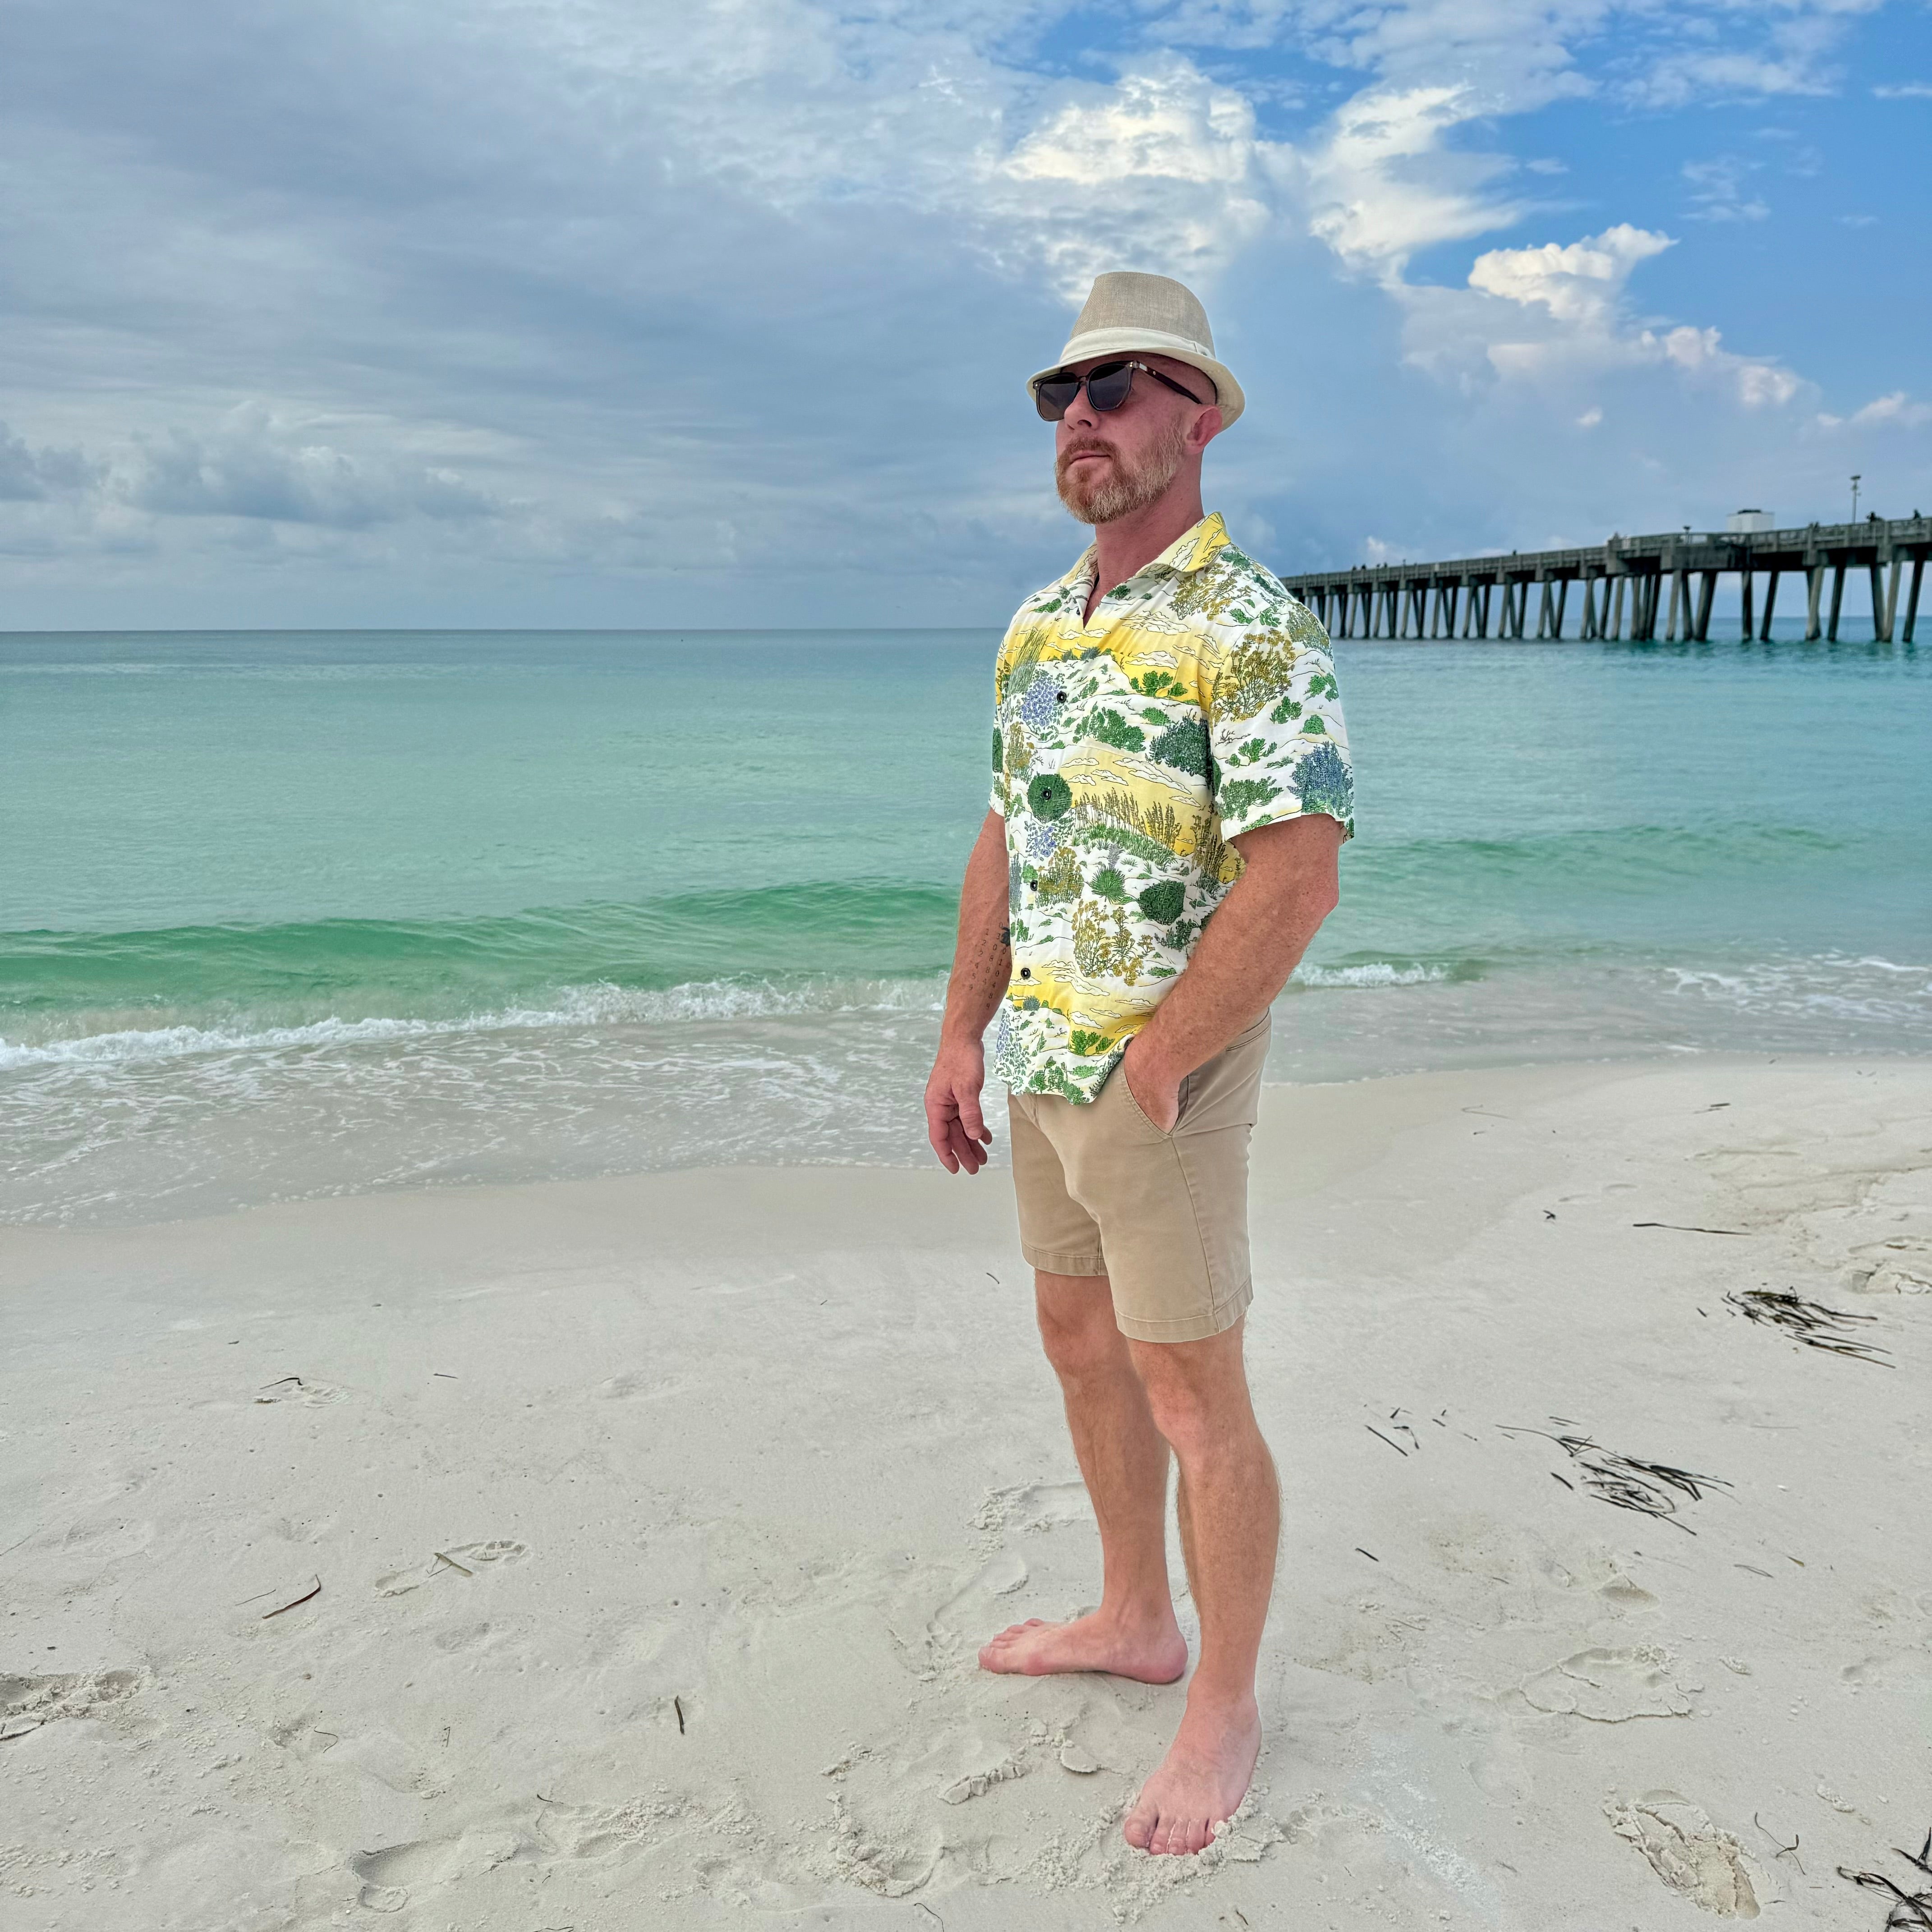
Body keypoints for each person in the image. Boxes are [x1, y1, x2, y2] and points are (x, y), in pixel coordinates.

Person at [922, 271, 1353, 1858]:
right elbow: (1005, 838)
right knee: (1073, 1330)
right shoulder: (1042, 620)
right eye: (1062, 394)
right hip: (1036, 1045)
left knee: (1193, 1388)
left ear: (1199, 413)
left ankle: (1221, 1701)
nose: (1081, 417)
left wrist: (1165, 1058)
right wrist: (961, 1029)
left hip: (1160, 1071)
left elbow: (1295, 875)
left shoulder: (1250, 626)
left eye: (1117, 386)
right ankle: (1130, 1611)